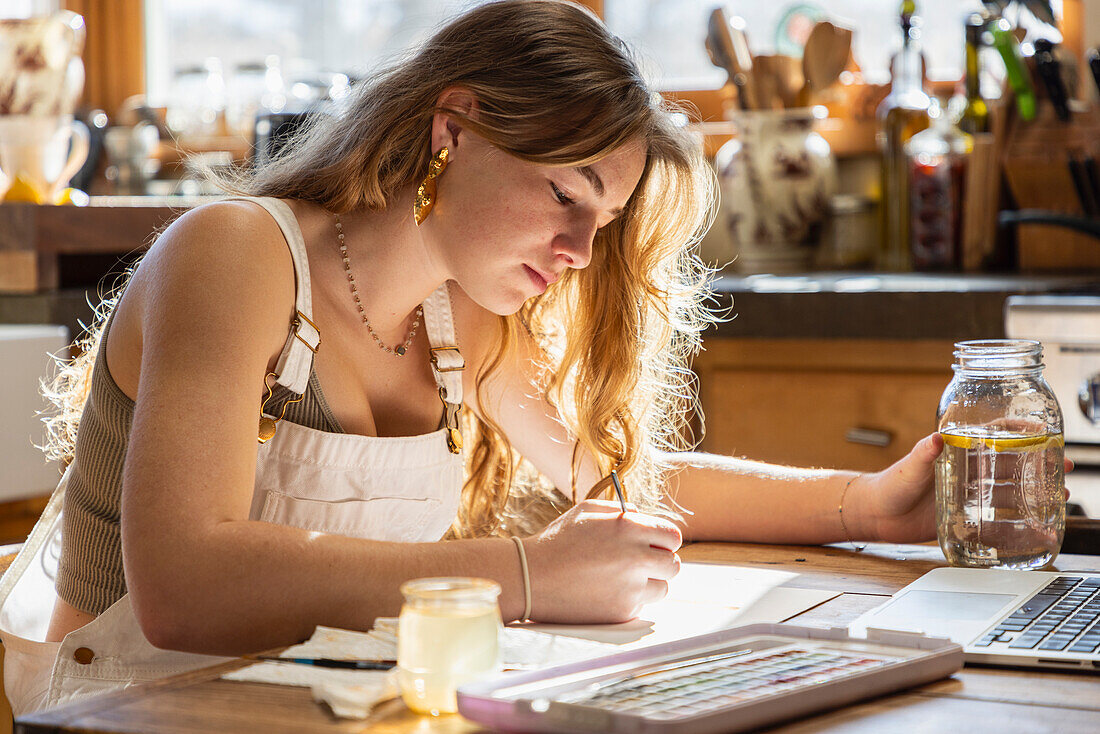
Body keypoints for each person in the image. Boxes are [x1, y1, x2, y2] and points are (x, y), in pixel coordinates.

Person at [0, 0, 941, 716]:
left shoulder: (463, 323)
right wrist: (528, 575)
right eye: (563, 194)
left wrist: (865, 503)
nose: (578, 250)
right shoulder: (236, 254)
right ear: (453, 128)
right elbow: (183, 587)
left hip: (318, 710)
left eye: (602, 221)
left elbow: (614, 483)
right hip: (129, 712)